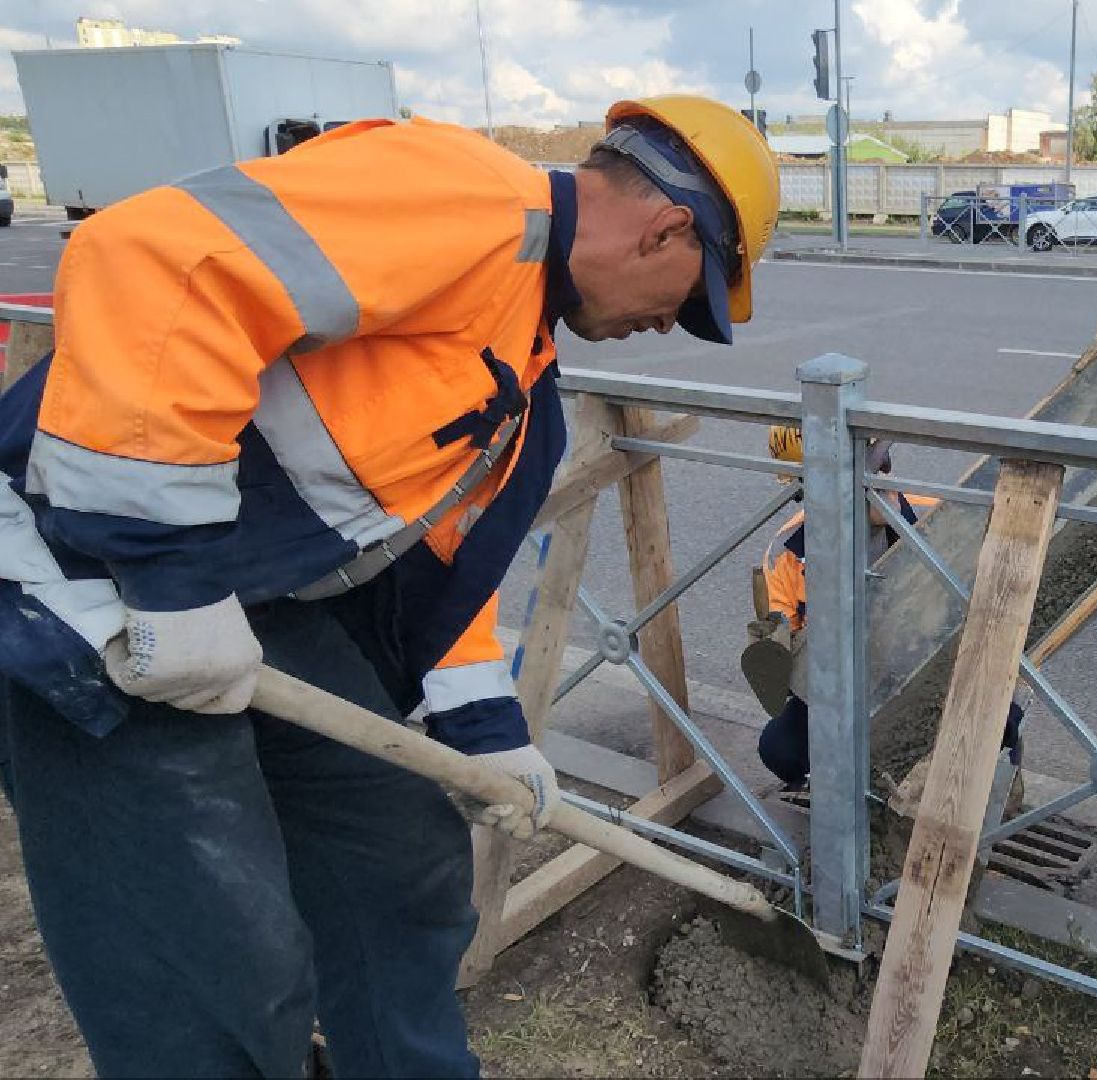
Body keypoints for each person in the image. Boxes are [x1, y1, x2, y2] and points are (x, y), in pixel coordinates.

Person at [0, 96, 777, 1077]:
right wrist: (169, 578)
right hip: (78, 588)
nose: (671, 321)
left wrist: (491, 732)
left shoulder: (523, 383)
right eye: (688, 296)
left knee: (399, 856)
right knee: (217, 955)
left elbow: (435, 575)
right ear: (666, 228)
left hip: (253, 607)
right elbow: (155, 261)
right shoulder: (472, 201)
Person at [745, 425, 1023, 789]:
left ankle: (982, 788)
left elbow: (985, 611)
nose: (879, 479)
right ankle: (853, 799)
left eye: (878, 465)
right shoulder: (787, 557)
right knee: (780, 748)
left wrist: (895, 522)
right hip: (846, 692)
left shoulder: (935, 518)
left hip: (937, 679)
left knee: (999, 725)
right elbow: (790, 669)